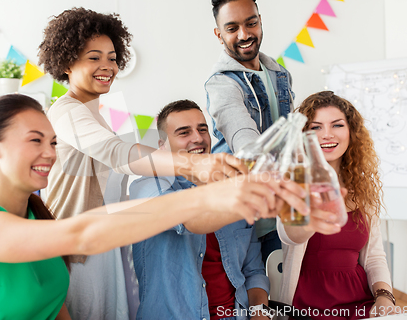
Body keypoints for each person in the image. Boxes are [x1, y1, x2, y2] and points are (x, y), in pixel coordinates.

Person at [0, 94, 294, 320]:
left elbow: (53, 308)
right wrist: (217, 194)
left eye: (54, 142)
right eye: (35, 140)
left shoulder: (34, 219)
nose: (49, 153)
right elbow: (85, 233)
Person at [37, 8, 249, 320]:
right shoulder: (66, 110)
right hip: (77, 250)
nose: (107, 66)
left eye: (111, 57)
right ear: (67, 62)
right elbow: (118, 154)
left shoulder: (97, 112)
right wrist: (193, 166)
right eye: (94, 57)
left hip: (103, 242)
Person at [130, 100, 308, 320]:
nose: (197, 138)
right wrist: (253, 200)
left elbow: (253, 272)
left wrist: (259, 313)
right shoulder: (147, 187)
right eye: (184, 132)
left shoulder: (233, 185)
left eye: (202, 129)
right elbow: (190, 221)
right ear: (163, 145)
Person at [277, 91, 397, 319]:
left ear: (351, 131)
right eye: (316, 127)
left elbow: (374, 256)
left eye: (337, 125)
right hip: (307, 307)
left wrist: (384, 295)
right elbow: (289, 236)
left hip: (360, 302)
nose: (327, 135)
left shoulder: (362, 187)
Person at [205, 0, 296, 264]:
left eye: (251, 23)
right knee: (256, 301)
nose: (244, 35)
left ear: (260, 20)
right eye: (232, 28)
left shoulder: (280, 74)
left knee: (288, 299)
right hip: (244, 222)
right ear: (219, 34)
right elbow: (241, 133)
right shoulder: (221, 83)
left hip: (285, 213)